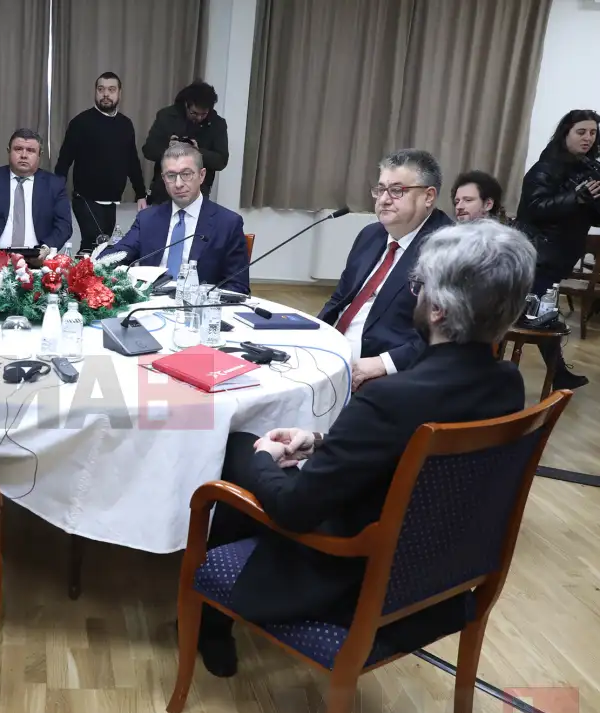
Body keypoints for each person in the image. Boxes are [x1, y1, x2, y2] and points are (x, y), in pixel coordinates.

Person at [195, 219, 534, 678]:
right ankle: (213, 622)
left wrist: (260, 459)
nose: (414, 295)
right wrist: (321, 442)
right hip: (439, 578)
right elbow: (411, 456)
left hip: (349, 580)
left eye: (417, 287)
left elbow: (294, 510)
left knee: (238, 448)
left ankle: (211, 622)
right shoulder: (507, 384)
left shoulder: (390, 399)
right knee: (261, 456)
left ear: (437, 311)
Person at [319, 149, 454, 389]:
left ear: (428, 196)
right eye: (381, 189)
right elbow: (339, 299)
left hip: (387, 376)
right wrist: (311, 335)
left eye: (397, 190)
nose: (383, 199)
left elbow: (447, 334)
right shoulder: (370, 235)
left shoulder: (450, 249)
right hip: (330, 355)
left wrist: (383, 364)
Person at [515, 109, 600, 391]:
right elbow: (535, 208)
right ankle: (558, 374)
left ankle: (558, 374)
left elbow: (592, 216)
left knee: (541, 317)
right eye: (581, 132)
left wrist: (592, 201)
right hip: (538, 255)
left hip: (560, 255)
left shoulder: (589, 169)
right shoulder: (546, 167)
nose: (588, 138)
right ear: (566, 133)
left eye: (593, 132)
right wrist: (576, 198)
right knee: (540, 318)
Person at [109, 142, 249, 290]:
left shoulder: (228, 223)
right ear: (163, 179)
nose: (178, 184)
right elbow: (116, 256)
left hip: (198, 302)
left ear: (201, 175)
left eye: (186, 174)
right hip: (149, 300)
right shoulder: (147, 219)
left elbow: (238, 286)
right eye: (171, 176)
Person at [54, 72, 147, 252]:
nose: (105, 94)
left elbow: (132, 161)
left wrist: (141, 193)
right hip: (85, 198)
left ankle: (83, 270)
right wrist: (55, 193)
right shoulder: (80, 122)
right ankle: (80, 270)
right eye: (101, 89)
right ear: (95, 92)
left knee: (102, 247)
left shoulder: (125, 124)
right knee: (94, 242)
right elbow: (64, 161)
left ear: (119, 93)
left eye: (111, 90)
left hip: (112, 200)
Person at [0, 129, 72, 252]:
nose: (24, 155)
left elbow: (64, 225)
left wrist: (46, 248)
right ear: (9, 151)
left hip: (37, 257)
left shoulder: (54, 184)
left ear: (40, 155)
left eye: (31, 150)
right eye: (18, 149)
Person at [143, 81, 228, 206]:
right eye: (194, 113)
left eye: (204, 114)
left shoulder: (217, 124)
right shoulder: (167, 116)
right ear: (186, 104)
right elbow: (148, 150)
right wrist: (169, 150)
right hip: (164, 190)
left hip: (198, 192)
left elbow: (221, 161)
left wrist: (198, 152)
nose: (199, 118)